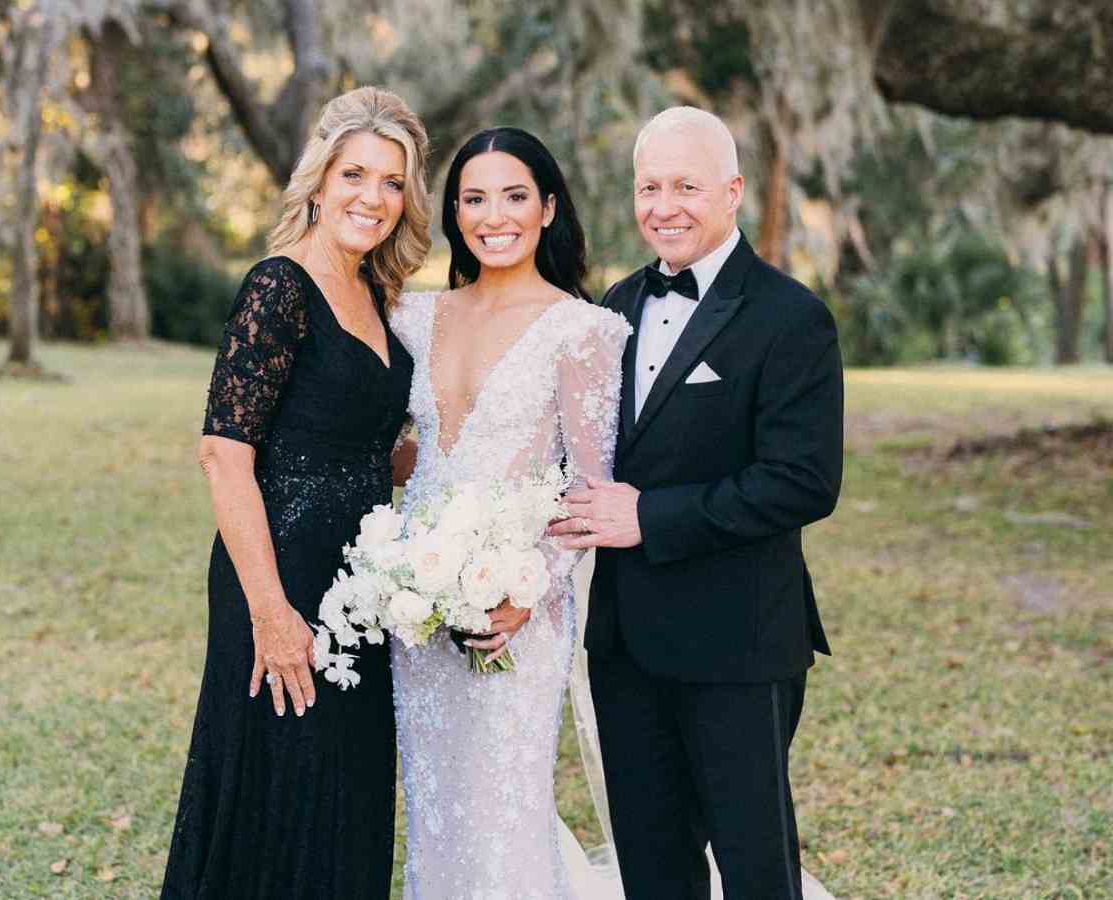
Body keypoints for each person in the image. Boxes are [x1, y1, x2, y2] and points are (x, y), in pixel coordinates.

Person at [551, 106, 843, 900]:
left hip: (739, 642)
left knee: (755, 869)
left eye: (686, 185)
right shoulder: (611, 309)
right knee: (651, 868)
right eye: (649, 187)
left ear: (733, 191)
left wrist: (649, 516)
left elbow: (804, 480)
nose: (664, 206)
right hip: (624, 644)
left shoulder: (792, 318)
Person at [159, 86, 431, 900]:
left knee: (343, 801)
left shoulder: (376, 295)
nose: (372, 198)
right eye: (356, 174)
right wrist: (272, 616)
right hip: (278, 585)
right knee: (276, 797)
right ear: (319, 178)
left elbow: (349, 447)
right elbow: (223, 455)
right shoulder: (280, 288)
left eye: (392, 182)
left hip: (361, 587)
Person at [388, 127, 631, 898]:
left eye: (515, 196)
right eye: (474, 198)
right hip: (416, 614)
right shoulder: (412, 318)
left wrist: (528, 593)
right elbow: (403, 456)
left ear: (549, 207)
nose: (494, 215)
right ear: (454, 213)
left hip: (519, 616)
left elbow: (591, 490)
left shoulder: (581, 331)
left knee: (503, 812)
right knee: (433, 808)